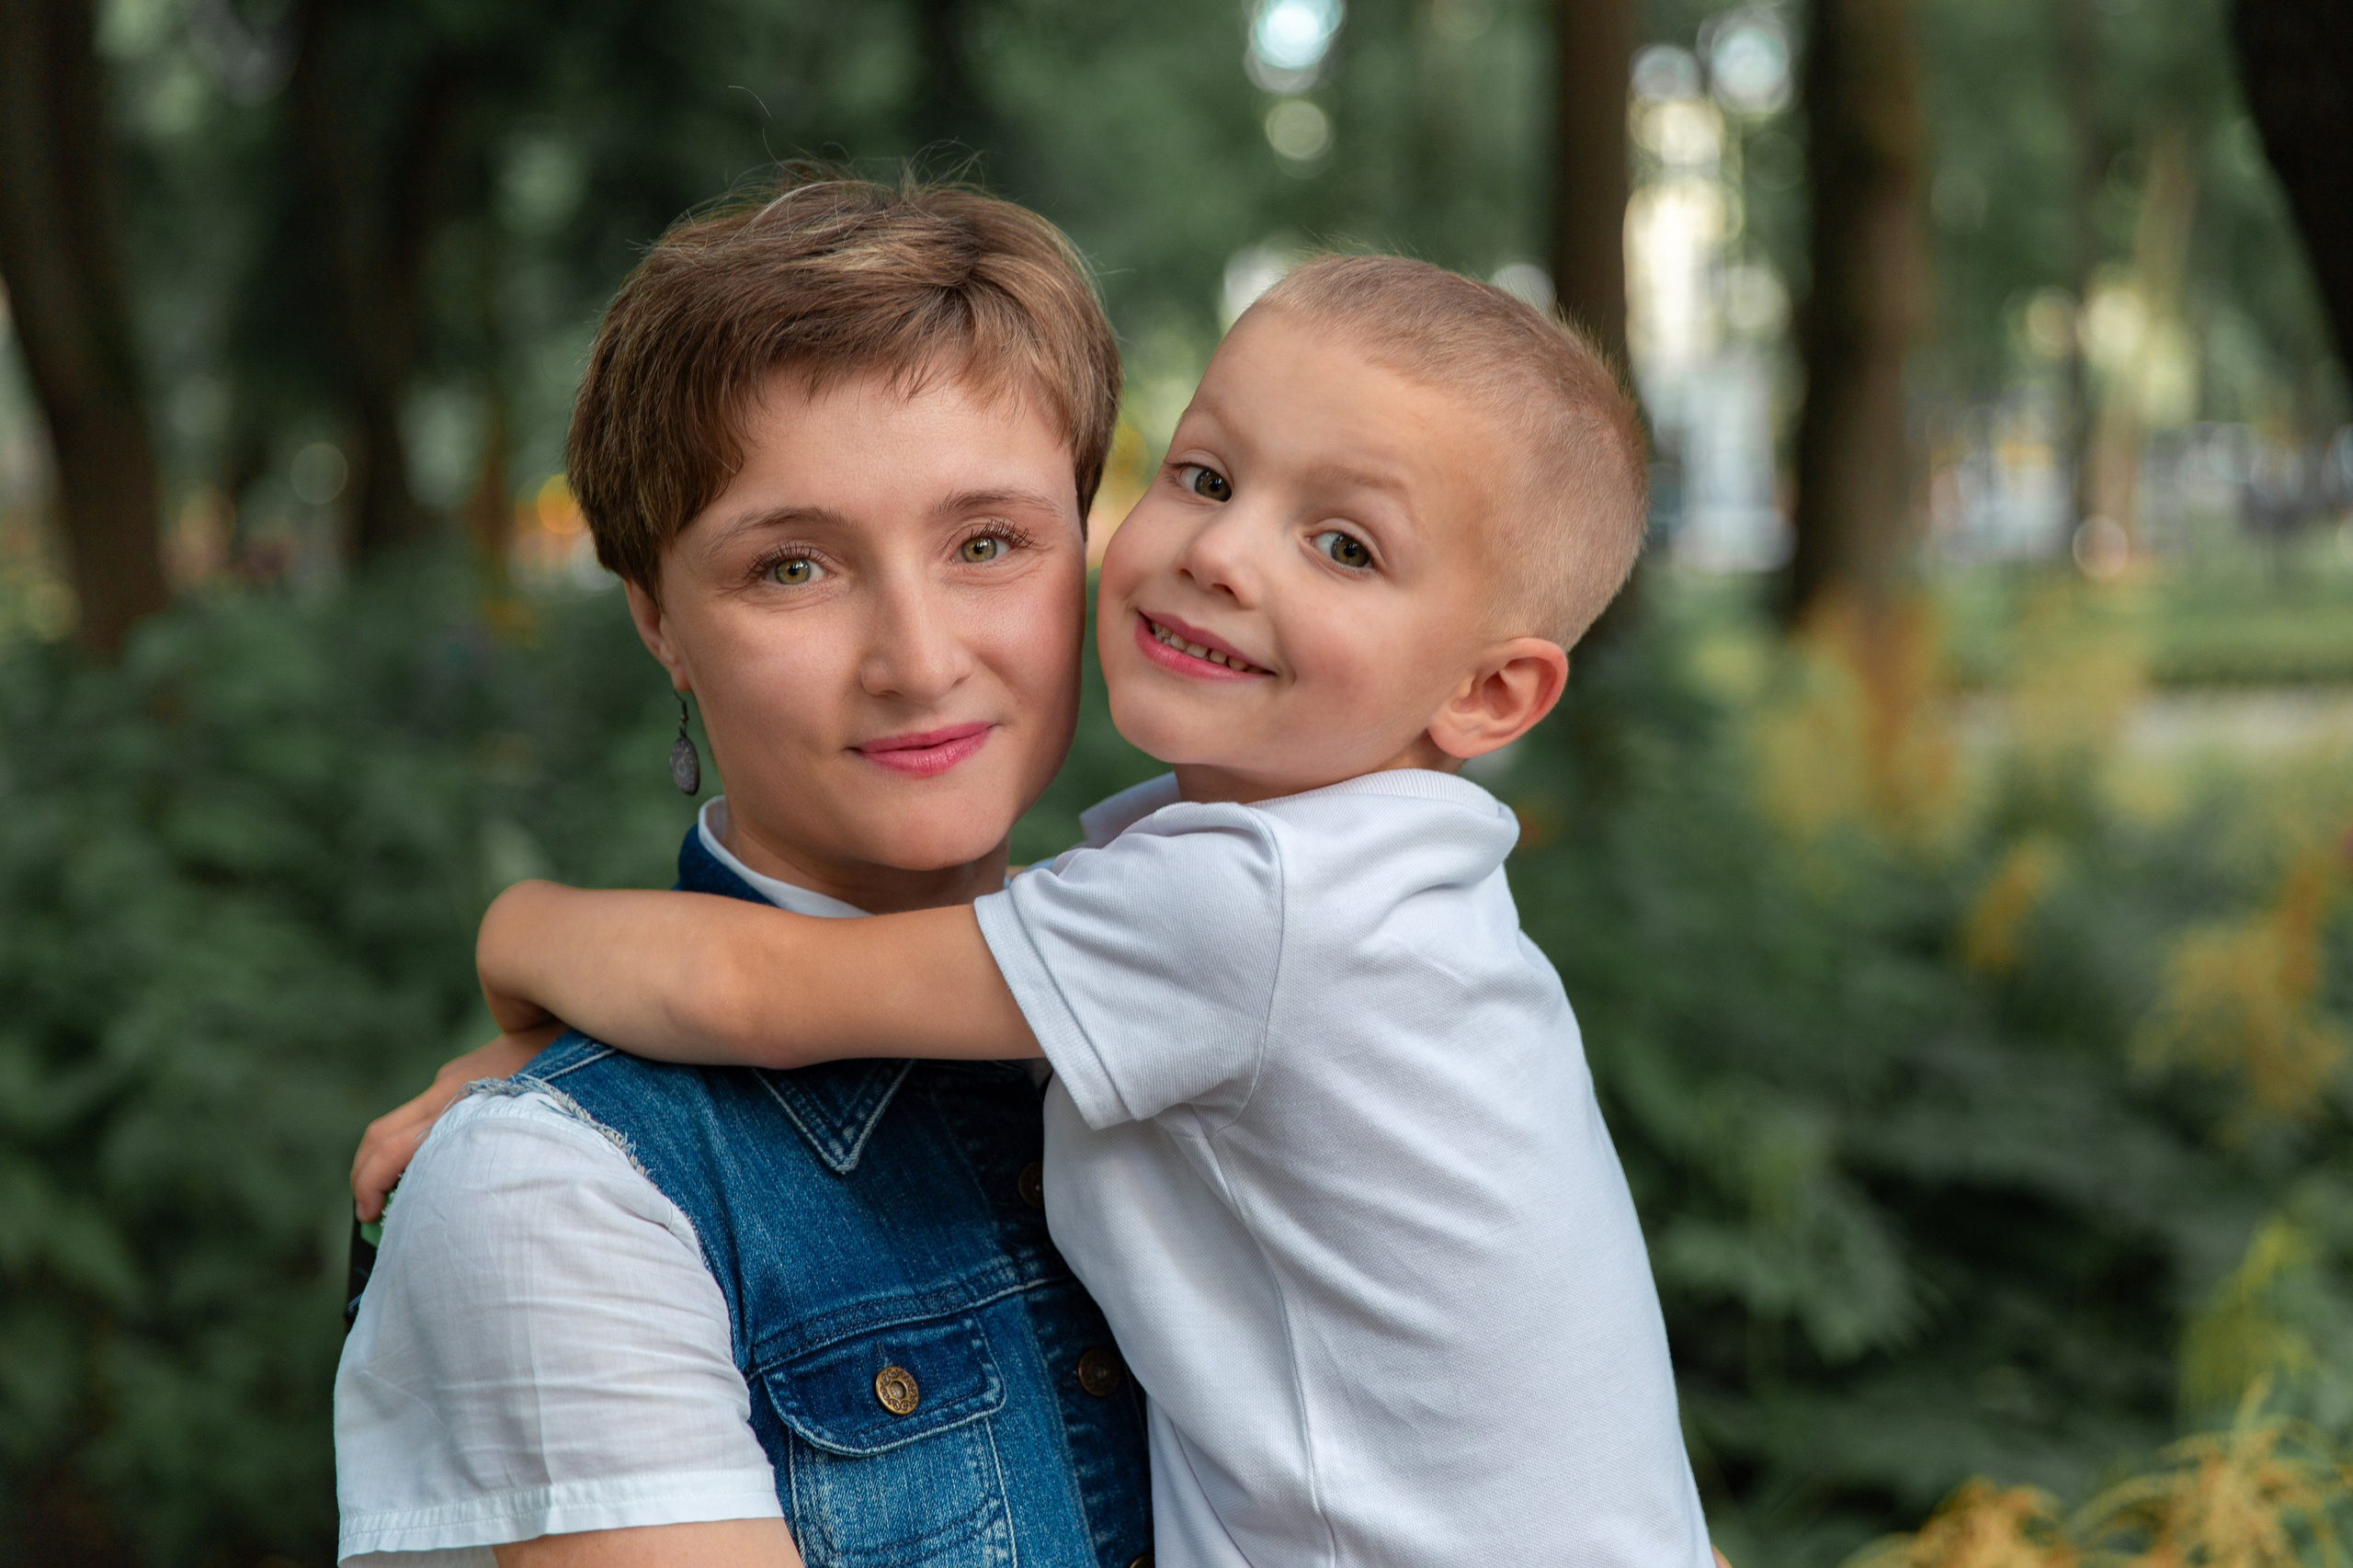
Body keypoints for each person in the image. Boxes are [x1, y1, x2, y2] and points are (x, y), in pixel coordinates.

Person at [452, 255, 1717, 1566]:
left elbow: (750, 992)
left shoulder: (1249, 906)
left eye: (1344, 545)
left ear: (1495, 696)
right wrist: (560, 1102)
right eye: (1208, 478)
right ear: (657, 617)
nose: (1222, 554)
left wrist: (518, 936)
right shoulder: (1402, 892)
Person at [334, 173, 1153, 1568]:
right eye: (794, 568)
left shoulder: (1217, 1011)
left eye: (987, 542)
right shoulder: (553, 1189)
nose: (918, 656)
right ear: (659, 621)